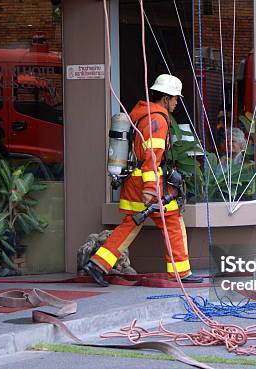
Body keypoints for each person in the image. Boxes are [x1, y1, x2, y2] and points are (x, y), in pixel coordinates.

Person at [83, 74, 202, 286]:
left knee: (130, 225)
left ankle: (98, 263)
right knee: (172, 221)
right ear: (165, 98)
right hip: (147, 185)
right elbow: (152, 157)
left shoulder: (142, 114)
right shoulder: (157, 119)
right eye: (175, 98)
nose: (176, 102)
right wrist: (149, 188)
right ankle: (180, 272)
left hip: (135, 182)